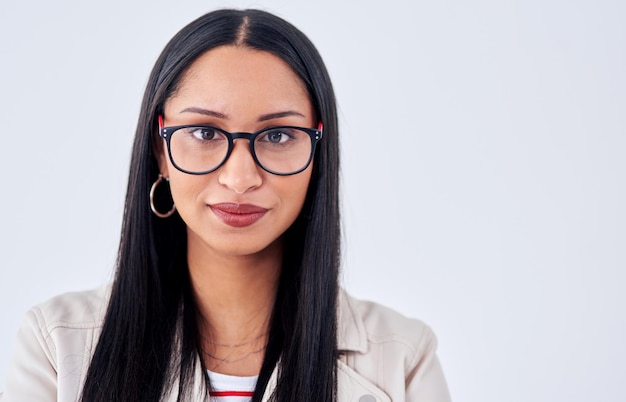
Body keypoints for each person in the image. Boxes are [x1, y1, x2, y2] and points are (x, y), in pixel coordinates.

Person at [1, 9, 450, 402]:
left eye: (277, 136)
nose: (240, 179)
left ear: (318, 153)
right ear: (161, 150)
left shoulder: (402, 357)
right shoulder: (57, 347)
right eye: (205, 133)